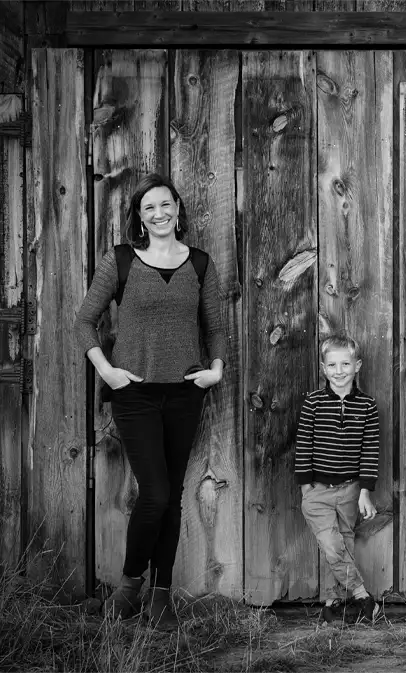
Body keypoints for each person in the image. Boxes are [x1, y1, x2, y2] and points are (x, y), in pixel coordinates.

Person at [75, 173, 226, 627]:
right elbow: (85, 321)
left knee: (173, 496)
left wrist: (215, 370)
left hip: (184, 394)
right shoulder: (120, 261)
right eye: (149, 209)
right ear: (139, 218)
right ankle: (128, 587)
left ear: (178, 208)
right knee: (155, 494)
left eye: (165, 205)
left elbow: (215, 326)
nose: (159, 214)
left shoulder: (199, 263)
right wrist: (107, 371)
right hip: (134, 394)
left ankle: (160, 596)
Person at [295, 334, 381, 625]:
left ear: (357, 365)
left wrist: (365, 491)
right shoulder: (314, 403)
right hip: (318, 490)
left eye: (346, 363)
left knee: (343, 545)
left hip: (349, 490)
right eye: (332, 364)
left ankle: (332, 604)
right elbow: (303, 444)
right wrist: (307, 488)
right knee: (332, 544)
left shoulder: (367, 406)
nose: (339, 370)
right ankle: (361, 594)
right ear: (323, 367)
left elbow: (370, 450)